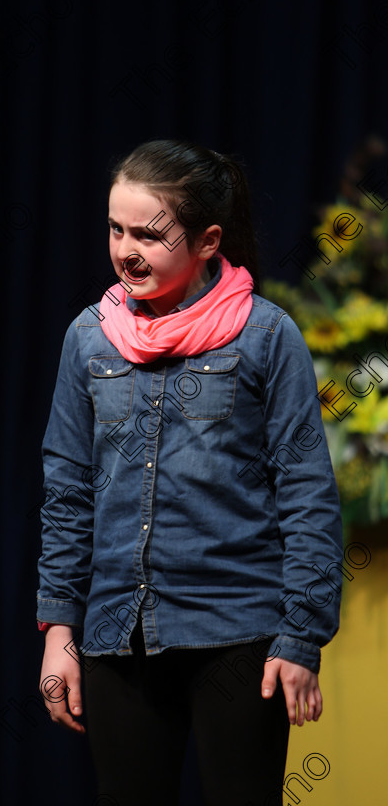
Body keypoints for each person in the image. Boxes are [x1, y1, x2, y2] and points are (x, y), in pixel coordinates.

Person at [36, 139, 343, 806]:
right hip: (120, 634)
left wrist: (301, 636)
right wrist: (60, 629)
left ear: (207, 241)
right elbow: (67, 491)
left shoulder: (266, 336)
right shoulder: (89, 338)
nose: (127, 249)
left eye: (149, 233)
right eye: (116, 229)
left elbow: (308, 493)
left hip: (238, 633)